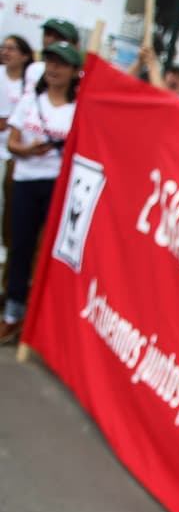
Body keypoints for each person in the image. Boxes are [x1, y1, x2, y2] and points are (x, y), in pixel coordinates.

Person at [0, 42, 81, 344]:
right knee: (19, 247)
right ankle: (12, 314)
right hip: (24, 181)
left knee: (48, 252)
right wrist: (27, 150)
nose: (54, 69)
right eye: (50, 62)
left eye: (61, 64)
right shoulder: (30, 102)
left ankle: (40, 318)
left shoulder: (77, 109)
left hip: (57, 187)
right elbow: (12, 142)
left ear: (74, 71)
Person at [0, 34, 34, 266]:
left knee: (8, 208)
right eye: (4, 48)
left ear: (24, 55)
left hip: (16, 157)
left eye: (11, 49)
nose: (5, 52)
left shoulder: (31, 83)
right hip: (6, 151)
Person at [23, 18, 79, 97]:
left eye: (59, 37)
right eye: (48, 34)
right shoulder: (33, 68)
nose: (51, 40)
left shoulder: (81, 79)